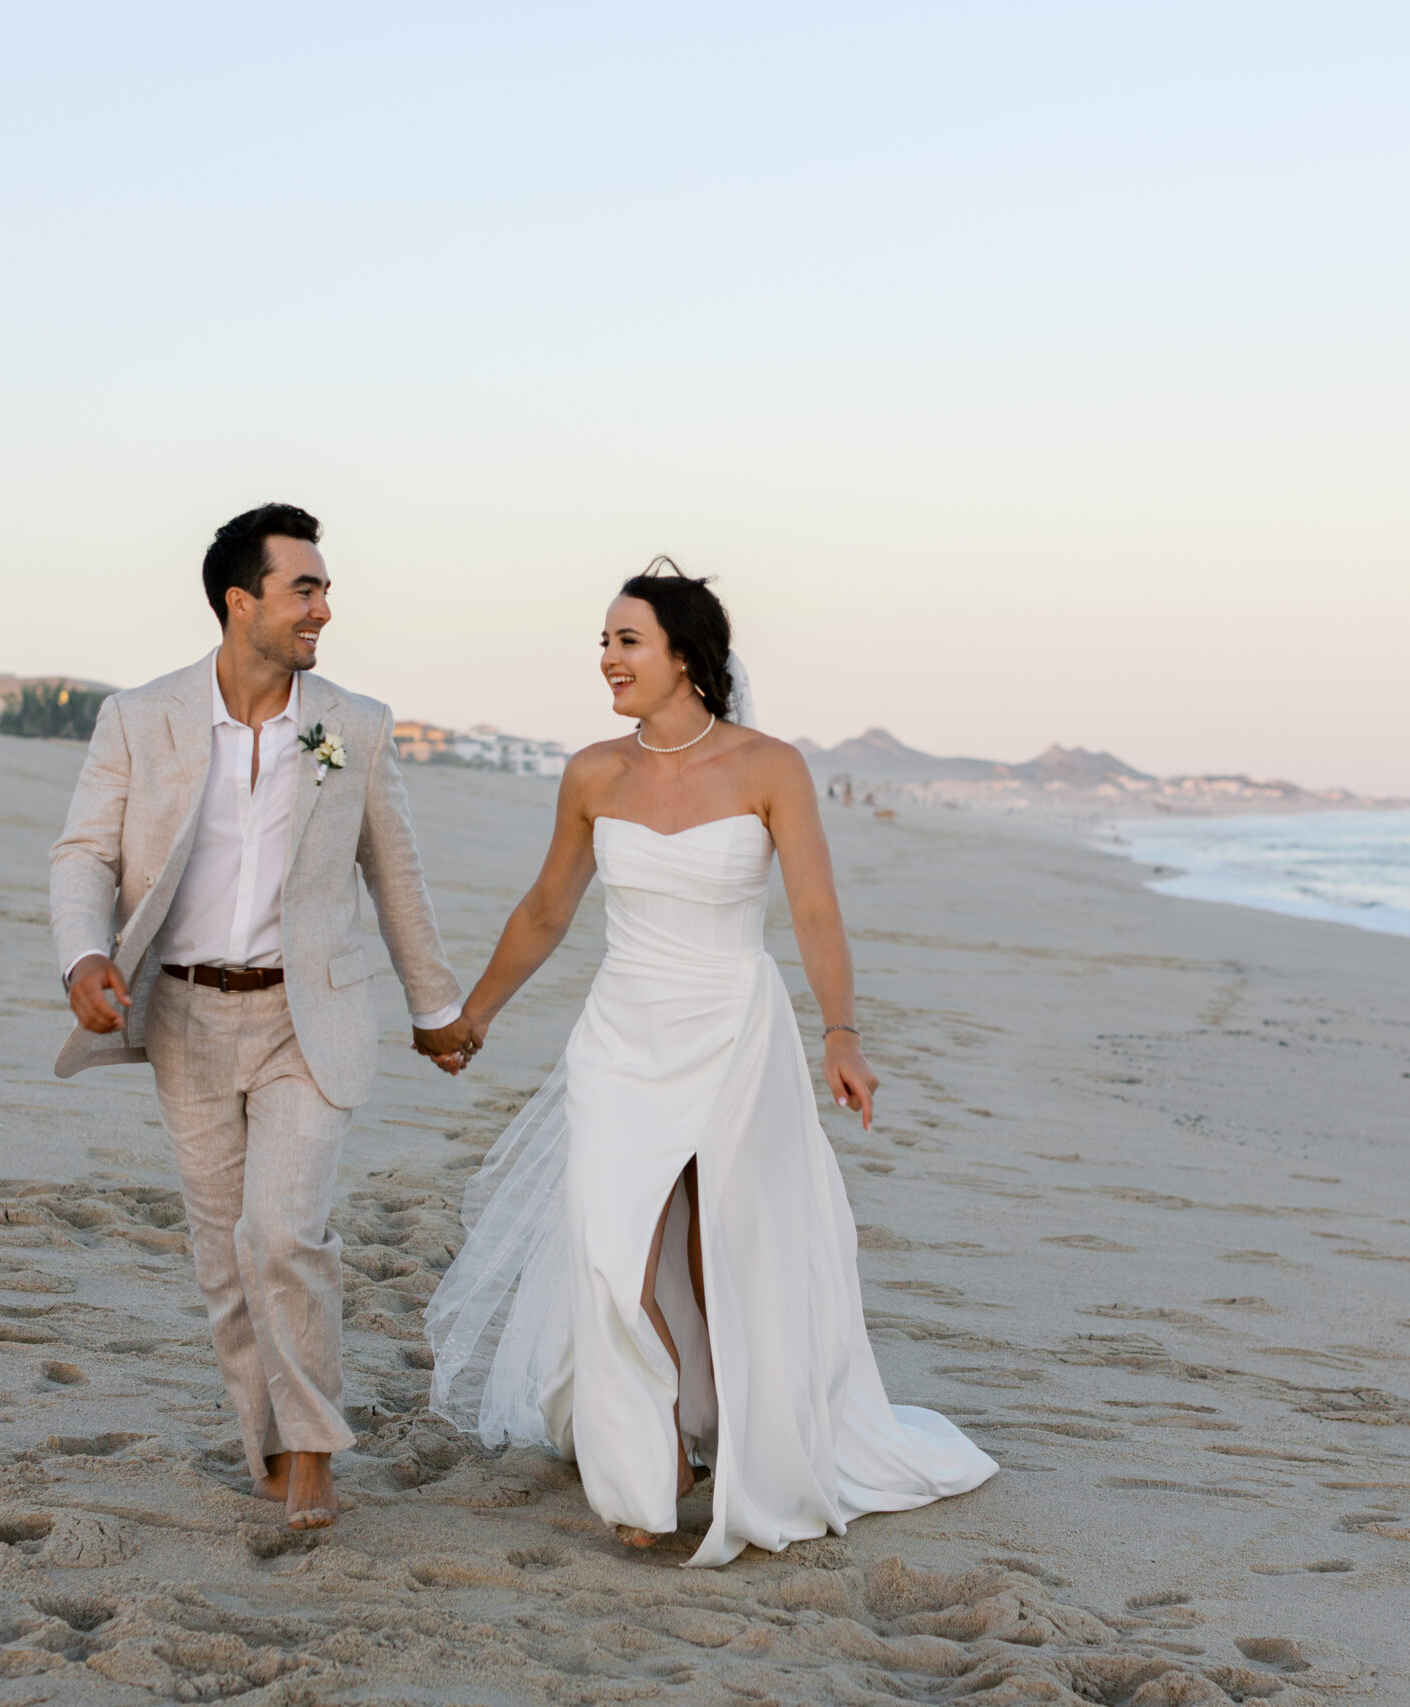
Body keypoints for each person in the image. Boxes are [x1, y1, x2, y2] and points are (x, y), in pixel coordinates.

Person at [423, 560, 996, 1565]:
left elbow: (814, 908)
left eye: (626, 641)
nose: (606, 659)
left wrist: (842, 1033)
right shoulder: (593, 773)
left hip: (734, 1028)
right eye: (601, 642)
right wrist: (475, 1015)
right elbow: (548, 907)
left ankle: (726, 1431)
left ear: (685, 655)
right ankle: (640, 1475)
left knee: (723, 1248)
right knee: (612, 1249)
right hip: (620, 1038)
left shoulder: (768, 767)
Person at [49, 503, 476, 1531]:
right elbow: (84, 856)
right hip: (183, 1019)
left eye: (324, 588)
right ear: (241, 603)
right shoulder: (139, 718)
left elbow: (394, 872)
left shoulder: (350, 725)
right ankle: (270, 1444)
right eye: (305, 588)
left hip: (305, 1017)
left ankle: (317, 1446)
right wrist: (83, 953)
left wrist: (435, 1008)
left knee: (283, 1233)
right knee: (222, 1256)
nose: (324, 607)